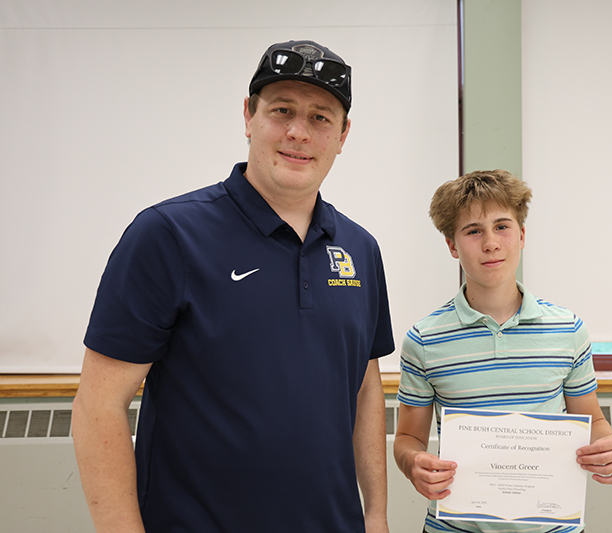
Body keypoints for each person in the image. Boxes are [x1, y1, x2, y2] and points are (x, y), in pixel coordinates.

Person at [72, 40, 394, 533]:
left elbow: (365, 385)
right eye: (281, 110)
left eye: (320, 118)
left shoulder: (360, 249)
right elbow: (98, 406)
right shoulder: (168, 235)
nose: (297, 132)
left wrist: (375, 515)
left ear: (343, 134)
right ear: (248, 116)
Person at [393, 169, 612, 533]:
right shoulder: (424, 339)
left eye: (502, 226)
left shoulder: (568, 329)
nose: (490, 243)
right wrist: (414, 464)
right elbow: (409, 439)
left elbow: (592, 421)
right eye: (473, 231)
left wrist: (611, 447)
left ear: (521, 235)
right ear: (452, 245)